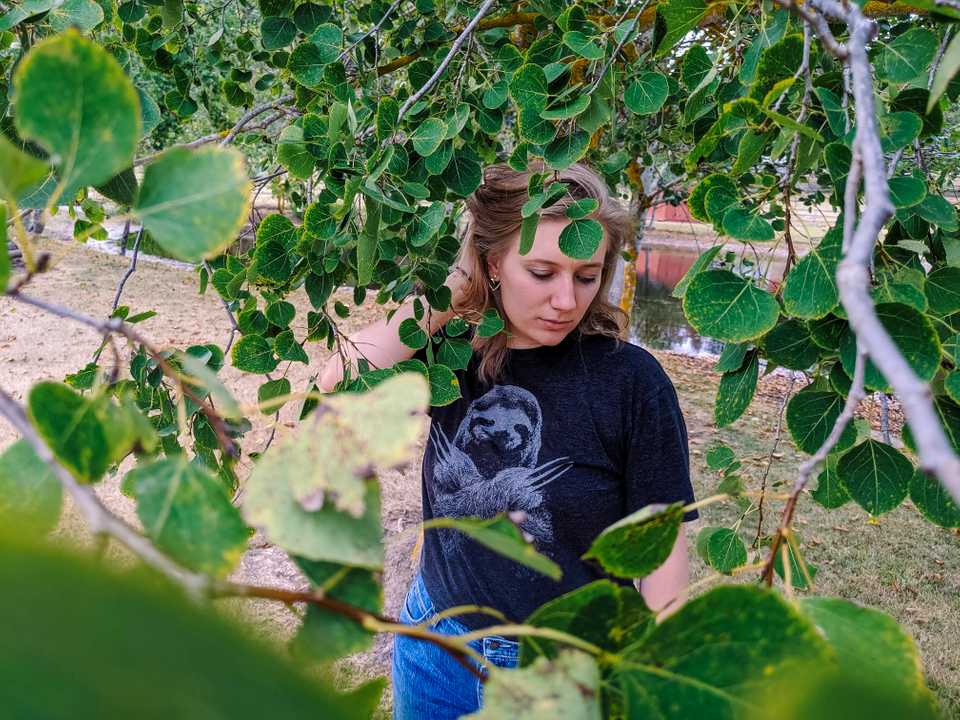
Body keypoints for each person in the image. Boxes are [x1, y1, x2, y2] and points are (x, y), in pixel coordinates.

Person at [319, 161, 698, 719]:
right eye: (542, 272)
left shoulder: (631, 382)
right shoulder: (452, 354)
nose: (567, 300)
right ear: (494, 262)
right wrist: (455, 293)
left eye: (587, 275)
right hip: (437, 646)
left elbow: (660, 547)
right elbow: (335, 382)